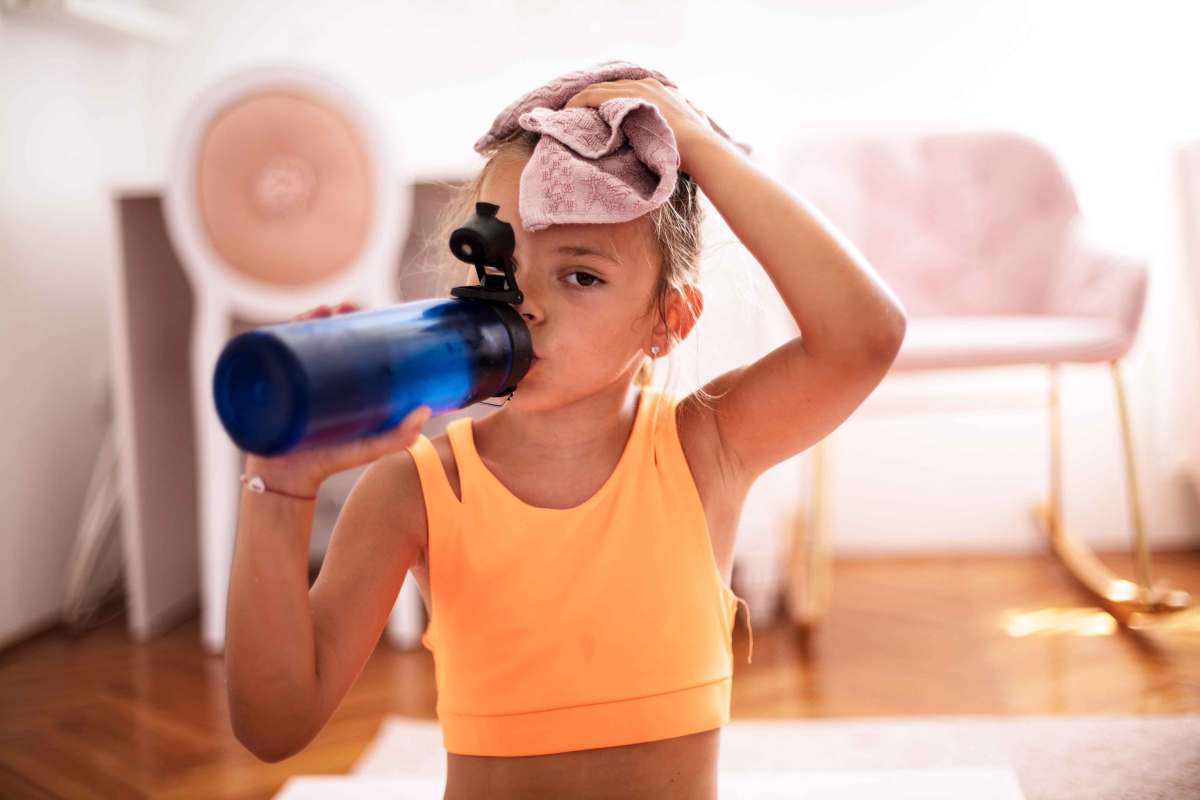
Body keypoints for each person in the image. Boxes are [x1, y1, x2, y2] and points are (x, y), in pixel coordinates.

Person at [225, 72, 907, 798]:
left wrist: (700, 145)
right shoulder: (417, 492)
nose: (527, 306)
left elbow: (865, 336)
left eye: (580, 275)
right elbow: (274, 726)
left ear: (668, 321)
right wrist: (281, 486)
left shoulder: (703, 450)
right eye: (499, 265)